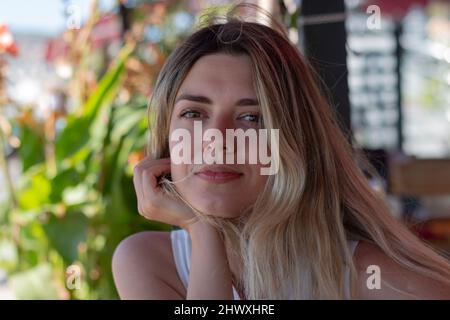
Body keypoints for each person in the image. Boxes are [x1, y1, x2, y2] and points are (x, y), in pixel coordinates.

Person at [112, 4, 450, 299]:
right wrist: (202, 230)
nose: (216, 138)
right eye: (194, 114)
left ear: (294, 140)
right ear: (167, 134)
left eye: (251, 117)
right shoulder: (146, 262)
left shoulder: (369, 276)